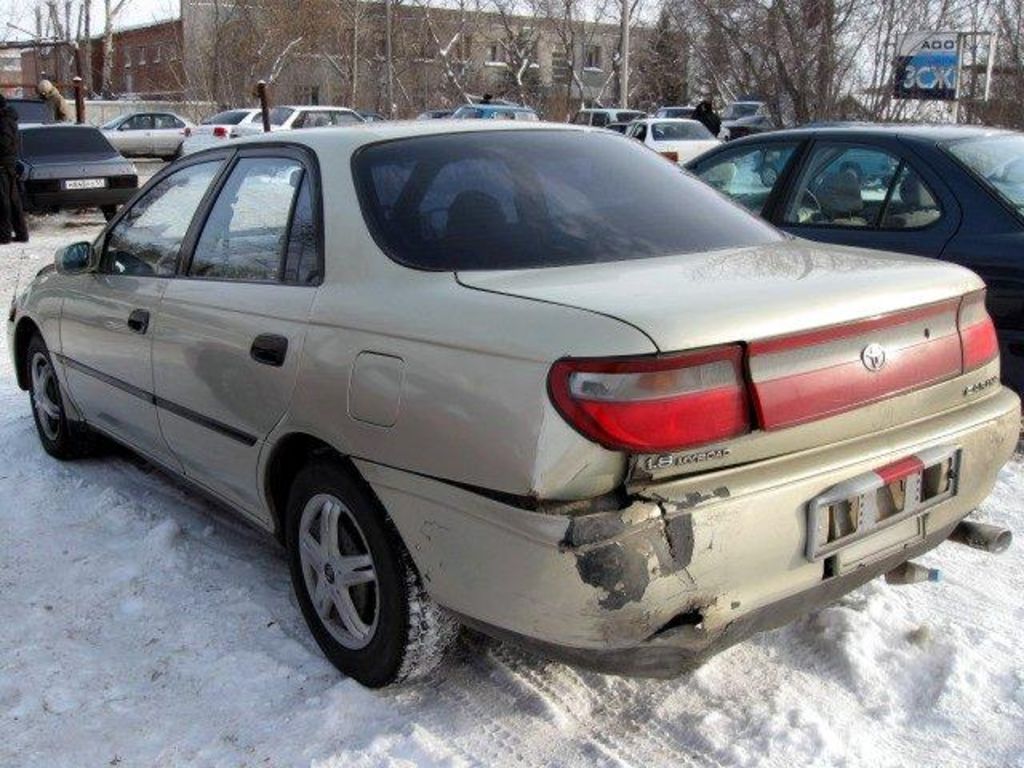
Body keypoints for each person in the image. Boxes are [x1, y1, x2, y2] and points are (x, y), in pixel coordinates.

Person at [0, 94, 29, 244]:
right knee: (13, 200)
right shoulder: (10, 120)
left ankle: (4, 235)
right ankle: (21, 233)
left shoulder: (4, 122)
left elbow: (4, 144)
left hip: (4, 165)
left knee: (4, 201)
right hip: (9, 164)